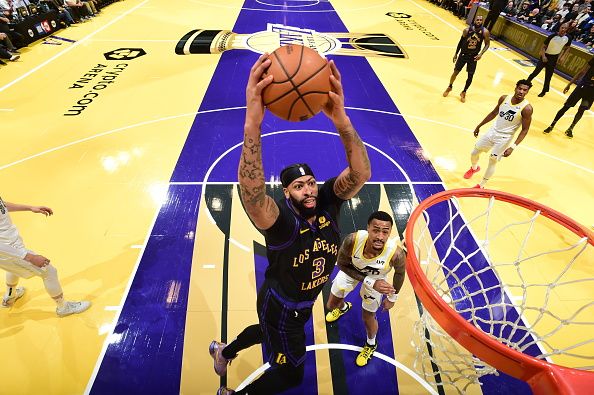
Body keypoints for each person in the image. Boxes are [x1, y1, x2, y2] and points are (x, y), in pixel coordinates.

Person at [210, 54, 371, 395]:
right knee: (290, 376)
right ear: (286, 193)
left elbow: (361, 174)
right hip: (284, 305)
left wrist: (341, 120)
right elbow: (253, 196)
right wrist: (252, 124)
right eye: (299, 186)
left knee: (267, 333)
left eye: (311, 182)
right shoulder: (281, 221)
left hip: (298, 303)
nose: (309, 190)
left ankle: (222, 351)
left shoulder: (327, 200)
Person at [324, 211, 406, 367]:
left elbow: (400, 274)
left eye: (385, 232)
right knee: (331, 305)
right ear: (368, 228)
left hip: (377, 281)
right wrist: (368, 281)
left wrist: (392, 298)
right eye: (376, 230)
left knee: (368, 317)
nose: (380, 236)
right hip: (352, 271)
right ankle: (343, 307)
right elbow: (341, 264)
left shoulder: (396, 254)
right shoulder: (353, 240)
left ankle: (370, 344)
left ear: (389, 233)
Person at [0, 196, 91, 316]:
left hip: (9, 245)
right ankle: (63, 307)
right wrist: (28, 256)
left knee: (13, 268)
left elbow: (2, 206)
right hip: (8, 249)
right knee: (48, 271)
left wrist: (29, 208)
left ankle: (10, 296)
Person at [463, 79, 533, 188]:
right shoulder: (504, 98)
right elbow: (494, 113)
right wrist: (479, 125)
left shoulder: (527, 109)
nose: (522, 92)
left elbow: (525, 130)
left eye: (525, 90)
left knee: (492, 160)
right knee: (474, 152)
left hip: (504, 138)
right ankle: (474, 168)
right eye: (520, 88)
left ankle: (482, 185)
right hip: (492, 131)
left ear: (527, 92)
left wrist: (512, 147)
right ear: (515, 88)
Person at [443, 15, 491, 103]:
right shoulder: (467, 30)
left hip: (473, 57)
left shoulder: (485, 32)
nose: (479, 21)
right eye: (477, 19)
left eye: (480, 20)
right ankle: (450, 86)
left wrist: (481, 54)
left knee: (470, 76)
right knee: (455, 72)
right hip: (463, 55)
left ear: (482, 21)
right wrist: (456, 53)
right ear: (474, 20)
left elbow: (487, 44)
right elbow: (460, 42)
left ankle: (464, 91)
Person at [543, 56, 594, 138]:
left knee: (582, 109)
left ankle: (570, 129)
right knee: (566, 107)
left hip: (591, 92)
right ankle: (552, 125)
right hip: (583, 86)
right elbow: (582, 71)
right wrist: (569, 84)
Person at [526, 23, 571, 97]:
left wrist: (563, 57)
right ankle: (526, 83)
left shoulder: (568, 38)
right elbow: (543, 47)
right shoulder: (552, 36)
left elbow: (568, 48)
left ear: (567, 29)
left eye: (565, 28)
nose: (563, 29)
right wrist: (543, 56)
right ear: (559, 28)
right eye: (562, 27)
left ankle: (544, 91)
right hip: (545, 55)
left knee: (548, 76)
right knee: (536, 72)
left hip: (554, 58)